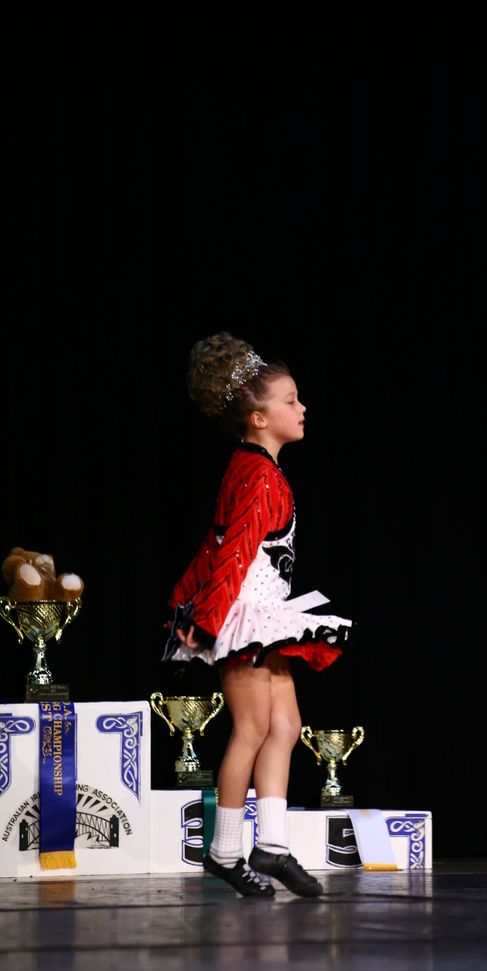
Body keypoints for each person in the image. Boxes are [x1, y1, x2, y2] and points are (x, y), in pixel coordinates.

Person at [163, 331, 353, 898]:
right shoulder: (257, 475)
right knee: (251, 728)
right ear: (259, 418)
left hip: (264, 614)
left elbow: (217, 543)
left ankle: (270, 845)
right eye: (290, 400)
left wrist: (188, 597)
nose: (302, 407)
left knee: (286, 726)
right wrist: (203, 620)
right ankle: (224, 850)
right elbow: (233, 551)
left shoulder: (257, 469)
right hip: (244, 616)